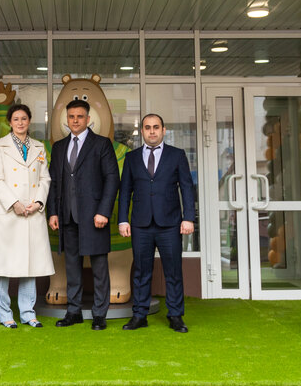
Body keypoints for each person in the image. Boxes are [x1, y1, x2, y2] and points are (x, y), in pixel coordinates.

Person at [117, 113, 195, 333]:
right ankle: (139, 315)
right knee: (141, 271)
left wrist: (188, 217)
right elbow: (125, 192)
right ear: (141, 131)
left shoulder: (177, 155)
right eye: (147, 127)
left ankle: (176, 316)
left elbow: (187, 188)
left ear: (164, 130)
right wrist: (123, 219)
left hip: (170, 223)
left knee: (173, 271)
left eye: (156, 127)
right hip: (141, 224)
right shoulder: (132, 158)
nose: (152, 131)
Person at [47, 99, 119, 330]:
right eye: (71, 117)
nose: (75, 120)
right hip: (67, 216)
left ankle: (100, 314)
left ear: (88, 119)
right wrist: (53, 213)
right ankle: (74, 311)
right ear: (66, 119)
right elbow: (53, 183)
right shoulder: (59, 147)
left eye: (79, 116)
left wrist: (103, 212)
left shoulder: (102, 144)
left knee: (99, 268)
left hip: (94, 217)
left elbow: (112, 179)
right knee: (72, 268)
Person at [0, 104, 54, 328]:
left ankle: (28, 313)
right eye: (16, 119)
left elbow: (45, 179)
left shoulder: (39, 147)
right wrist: (14, 204)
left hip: (32, 212)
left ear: (29, 121)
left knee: (29, 265)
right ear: (9, 122)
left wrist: (39, 202)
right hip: (8, 212)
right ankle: (5, 314)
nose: (20, 122)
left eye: (24, 118)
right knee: (3, 266)